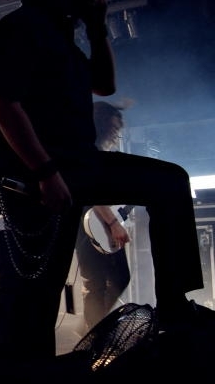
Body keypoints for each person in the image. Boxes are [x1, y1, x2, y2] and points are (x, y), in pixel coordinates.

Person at [0, 0, 215, 376]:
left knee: (169, 181)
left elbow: (105, 85)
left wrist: (97, 28)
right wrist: (46, 172)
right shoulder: (19, 28)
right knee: (39, 293)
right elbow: (5, 107)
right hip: (47, 171)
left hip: (79, 165)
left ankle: (174, 304)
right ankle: (25, 367)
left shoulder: (63, 36)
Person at [74, 101, 131, 334]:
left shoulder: (95, 152)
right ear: (101, 124)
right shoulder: (87, 151)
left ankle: (90, 327)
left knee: (109, 279)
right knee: (100, 280)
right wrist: (114, 223)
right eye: (113, 127)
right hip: (91, 224)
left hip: (96, 223)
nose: (116, 133)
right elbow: (92, 192)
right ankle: (92, 332)